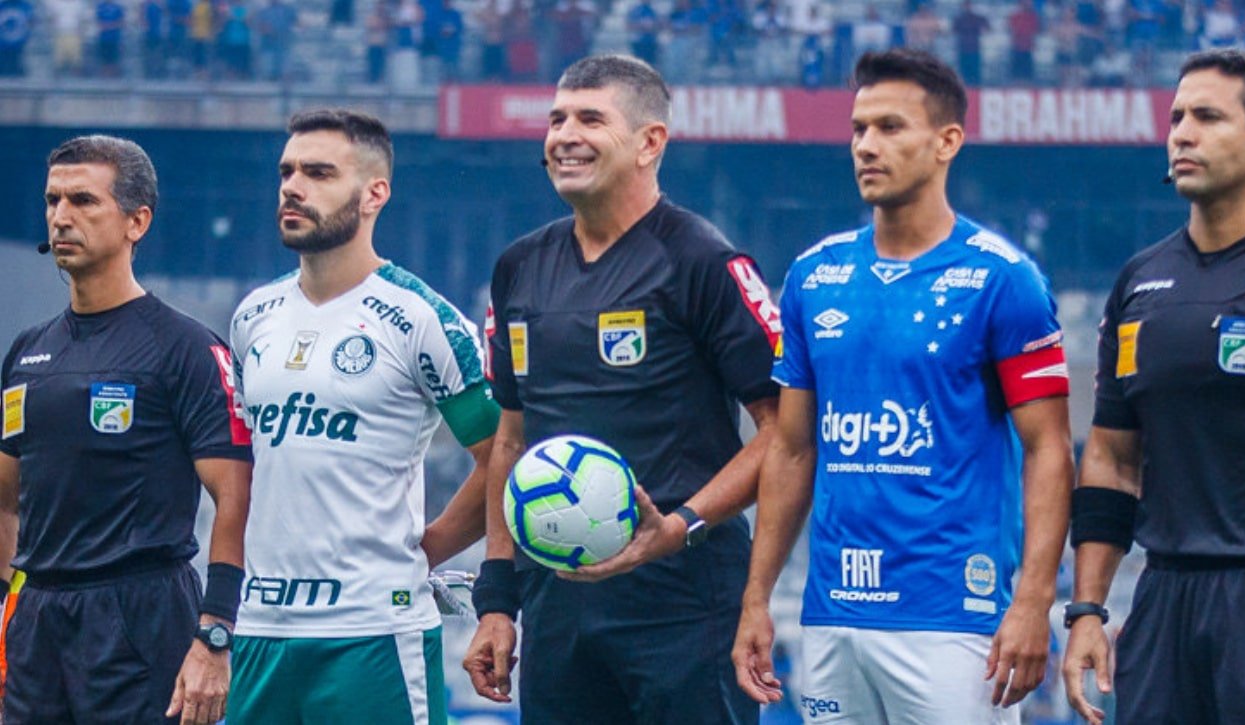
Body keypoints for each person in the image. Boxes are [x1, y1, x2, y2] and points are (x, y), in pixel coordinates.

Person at [732, 49, 1074, 723]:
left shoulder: (1005, 279)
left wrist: (1033, 599)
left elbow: (1048, 448)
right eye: (859, 129)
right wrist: (756, 597)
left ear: (947, 141)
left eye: (890, 128)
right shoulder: (813, 275)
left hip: (953, 614)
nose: (866, 146)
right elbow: (793, 449)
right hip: (831, 613)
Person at [462, 54, 780, 724]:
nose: (563, 135)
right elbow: (511, 441)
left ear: (649, 142)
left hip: (686, 599)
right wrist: (497, 600)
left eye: (589, 118)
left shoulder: (703, 261)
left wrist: (681, 524)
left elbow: (784, 435)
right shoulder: (517, 268)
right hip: (559, 602)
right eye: (556, 119)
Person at [225, 108, 498, 725]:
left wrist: (426, 551)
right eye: (287, 171)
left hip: (373, 630)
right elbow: (245, 470)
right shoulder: (252, 317)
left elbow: (503, 457)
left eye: (319, 173)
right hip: (260, 627)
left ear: (375, 193)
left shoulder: (422, 319)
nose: (293, 186)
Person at [1062, 48, 1245, 725]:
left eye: (1208, 117)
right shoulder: (1140, 281)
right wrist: (1087, 609)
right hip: (1163, 597)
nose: (1182, 133)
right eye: (1176, 117)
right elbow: (1110, 458)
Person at [0, 134, 253, 724]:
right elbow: (5, 500)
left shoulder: (187, 348)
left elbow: (234, 496)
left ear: (136, 221)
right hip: (37, 617)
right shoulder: (26, 352)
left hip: (141, 615)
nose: (62, 217)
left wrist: (215, 635)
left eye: (84, 201)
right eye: (53, 200)